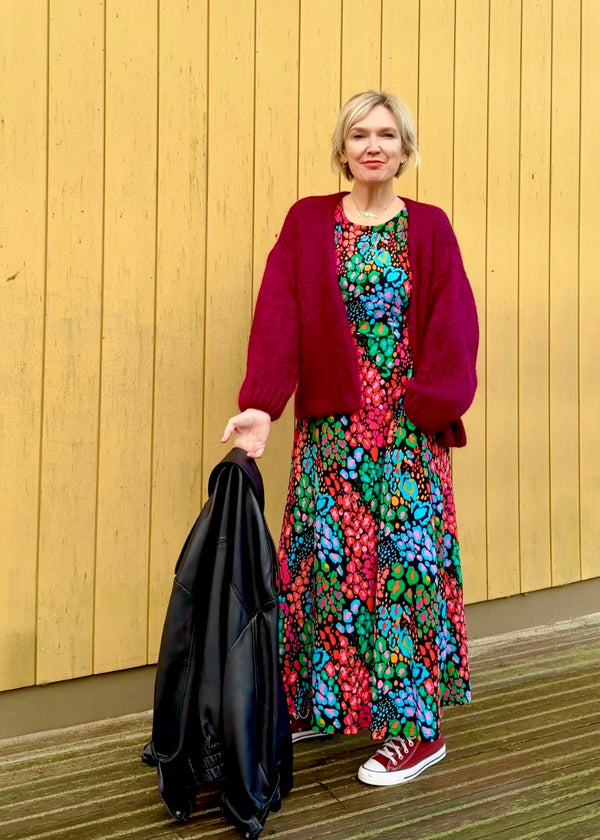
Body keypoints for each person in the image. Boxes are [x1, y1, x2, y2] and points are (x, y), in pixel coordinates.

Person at [222, 90, 478, 787]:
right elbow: (280, 315)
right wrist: (262, 408)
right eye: (360, 134)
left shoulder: (428, 228)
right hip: (332, 435)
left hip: (405, 437)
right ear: (343, 149)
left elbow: (454, 326)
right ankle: (329, 700)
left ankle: (416, 732)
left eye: (387, 136)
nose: (373, 146)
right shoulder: (308, 223)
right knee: (326, 571)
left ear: (405, 150)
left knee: (405, 576)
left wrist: (432, 406)